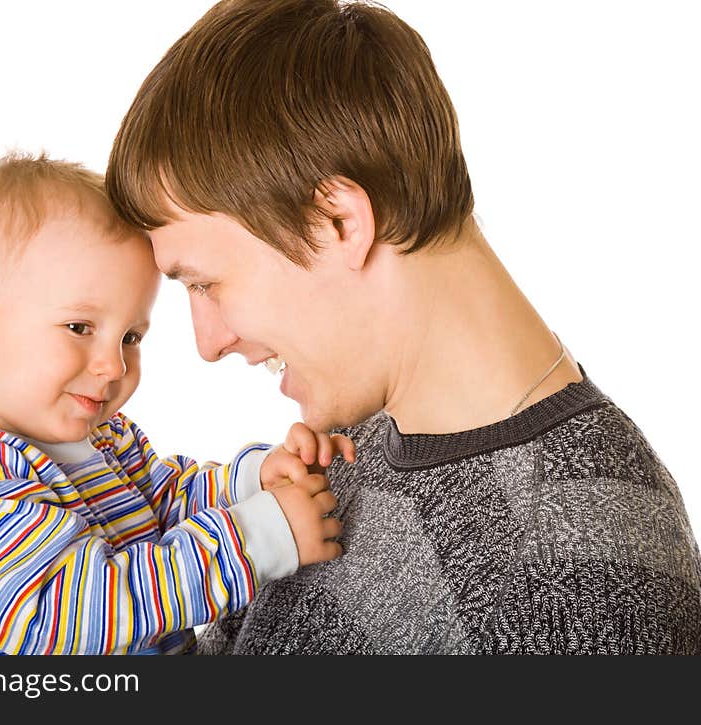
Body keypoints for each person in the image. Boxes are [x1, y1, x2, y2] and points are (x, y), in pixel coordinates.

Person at [105, 0, 701, 653]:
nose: (208, 342)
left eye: (205, 283)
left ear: (338, 223)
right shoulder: (346, 447)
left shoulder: (587, 570)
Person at [0, 152, 353, 655]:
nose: (114, 366)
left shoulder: (98, 437)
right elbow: (69, 613)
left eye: (130, 336)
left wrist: (254, 480)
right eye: (79, 327)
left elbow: (163, 504)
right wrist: (255, 540)